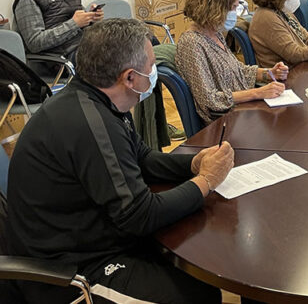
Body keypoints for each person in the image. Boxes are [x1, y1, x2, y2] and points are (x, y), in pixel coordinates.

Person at [5, 19, 233, 303]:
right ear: (129, 77)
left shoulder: (99, 99)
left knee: (197, 263)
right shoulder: (90, 124)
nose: (154, 71)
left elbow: (143, 159)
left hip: (98, 239)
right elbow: (140, 215)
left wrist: (193, 165)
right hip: (71, 272)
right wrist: (206, 181)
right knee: (199, 296)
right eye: (150, 65)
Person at [176, 0, 288, 124]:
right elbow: (209, 99)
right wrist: (258, 93)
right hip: (225, 121)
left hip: (242, 111)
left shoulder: (214, 34)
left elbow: (237, 71)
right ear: (216, 8)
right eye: (233, 8)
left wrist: (269, 74)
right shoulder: (191, 43)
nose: (235, 13)